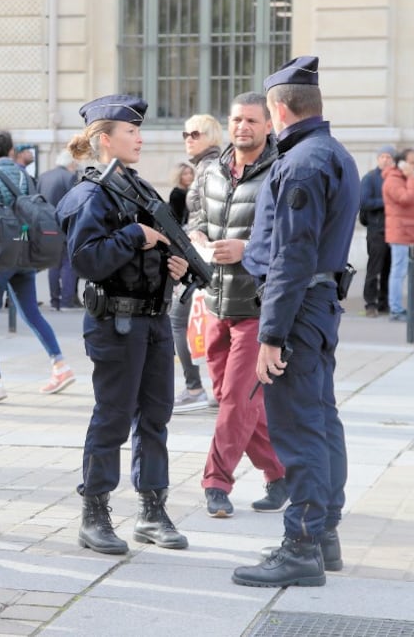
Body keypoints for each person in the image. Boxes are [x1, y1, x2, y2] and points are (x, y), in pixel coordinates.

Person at [235, 55, 359, 587]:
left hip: (299, 307)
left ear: (278, 109)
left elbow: (291, 255)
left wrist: (271, 335)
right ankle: (323, 533)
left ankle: (302, 545)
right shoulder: (331, 153)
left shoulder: (302, 162)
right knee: (320, 418)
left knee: (299, 426)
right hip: (317, 303)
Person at [55, 94, 190, 555]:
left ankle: (153, 511)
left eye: (138, 131)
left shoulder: (139, 188)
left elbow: (162, 248)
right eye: (131, 131)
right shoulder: (91, 193)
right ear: (104, 139)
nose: (140, 138)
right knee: (112, 418)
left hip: (153, 322)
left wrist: (177, 266)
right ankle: (94, 514)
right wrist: (135, 235)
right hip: (115, 322)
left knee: (155, 418)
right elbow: (86, 259)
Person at [192, 92, 286, 519]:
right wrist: (197, 243)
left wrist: (245, 248)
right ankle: (280, 472)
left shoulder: (282, 173)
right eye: (235, 120)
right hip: (216, 300)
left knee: (235, 398)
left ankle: (216, 481)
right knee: (235, 399)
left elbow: (291, 240)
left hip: (258, 305)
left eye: (251, 120)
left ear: (269, 125)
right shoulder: (210, 171)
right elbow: (196, 222)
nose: (242, 127)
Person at [0, 130, 74, 403]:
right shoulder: (24, 175)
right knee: (31, 313)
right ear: (12, 151)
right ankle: (59, 364)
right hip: (25, 255)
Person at [173, 113, 223, 413]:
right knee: (212, 322)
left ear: (210, 137)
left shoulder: (208, 169)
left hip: (201, 258)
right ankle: (217, 388)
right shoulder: (209, 166)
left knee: (177, 320)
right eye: (185, 134)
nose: (188, 140)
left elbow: (208, 215)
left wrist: (196, 234)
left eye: (195, 134)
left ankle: (195, 387)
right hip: (202, 256)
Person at [383, 148, 414, 323]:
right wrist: (412, 179)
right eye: (412, 162)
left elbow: (413, 197)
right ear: (402, 163)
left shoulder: (403, 179)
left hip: (406, 230)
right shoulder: (393, 180)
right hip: (399, 231)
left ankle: (398, 307)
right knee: (398, 271)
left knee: (403, 270)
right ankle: (396, 308)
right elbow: (405, 199)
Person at [39, 150, 80, 310]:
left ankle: (54, 301)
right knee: (68, 263)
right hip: (63, 226)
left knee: (53, 265)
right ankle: (66, 302)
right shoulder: (69, 177)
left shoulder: (44, 176)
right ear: (70, 164)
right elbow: (74, 202)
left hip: (46, 226)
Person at [359, 146, 395, 317]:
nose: (385, 159)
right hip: (376, 229)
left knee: (388, 269)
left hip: (393, 230)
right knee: (374, 268)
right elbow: (364, 202)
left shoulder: (395, 178)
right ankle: (370, 304)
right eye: (382, 156)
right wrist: (386, 202)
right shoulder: (370, 178)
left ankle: (384, 302)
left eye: (388, 156)